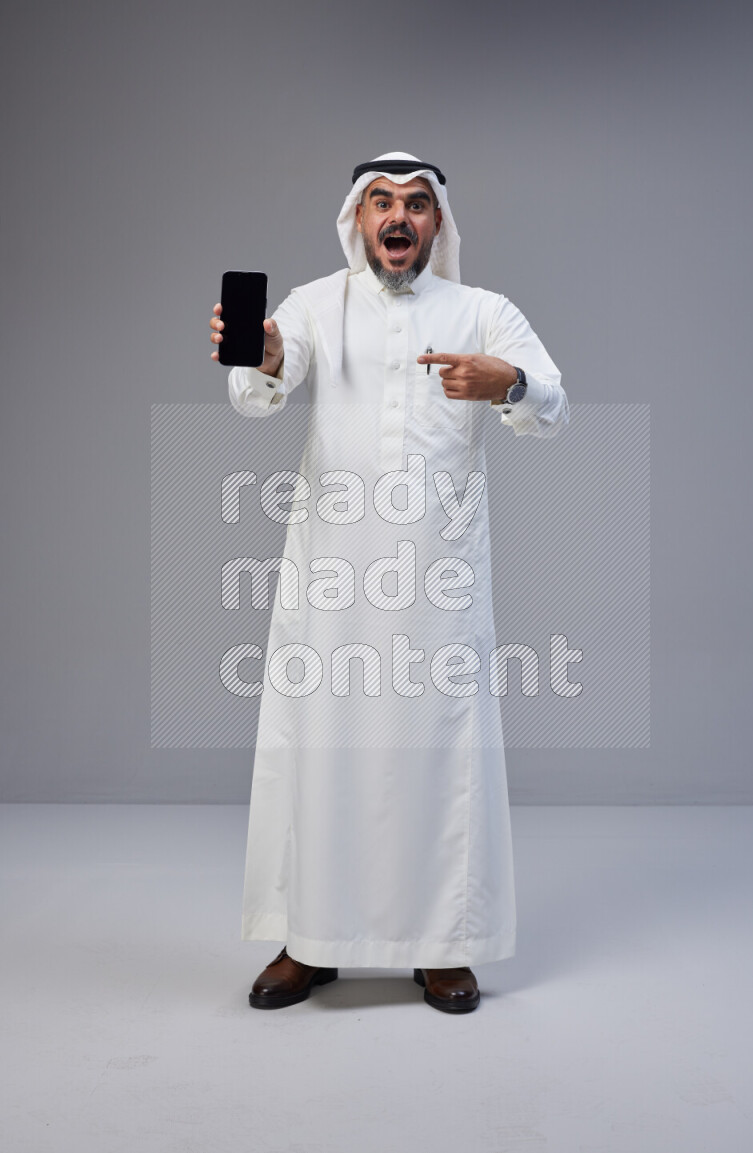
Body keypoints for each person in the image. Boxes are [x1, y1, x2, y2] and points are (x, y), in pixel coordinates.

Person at [209, 151, 569, 1014]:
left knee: (437, 755)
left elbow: (552, 403)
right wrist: (260, 353)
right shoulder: (314, 304)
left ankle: (442, 946)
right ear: (357, 219)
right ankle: (310, 941)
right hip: (332, 576)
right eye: (381, 203)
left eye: (415, 204)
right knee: (322, 749)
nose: (398, 218)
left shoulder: (481, 310)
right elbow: (260, 390)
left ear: (437, 223)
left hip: (436, 584)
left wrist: (505, 379)